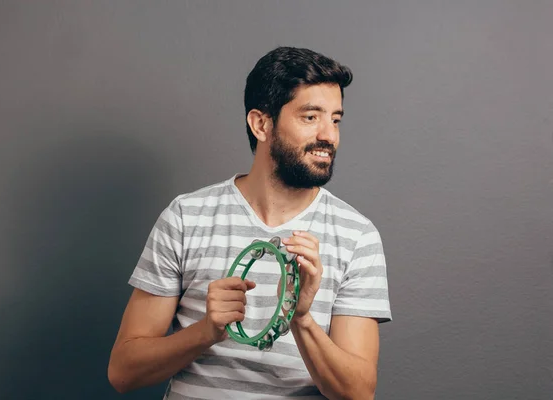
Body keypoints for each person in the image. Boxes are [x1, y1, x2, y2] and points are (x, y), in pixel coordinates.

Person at [108, 46, 392, 400]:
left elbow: (358, 393)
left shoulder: (357, 236)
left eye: (335, 119)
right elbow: (123, 372)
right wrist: (206, 331)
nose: (329, 136)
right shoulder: (186, 217)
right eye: (310, 117)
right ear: (261, 124)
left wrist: (301, 318)